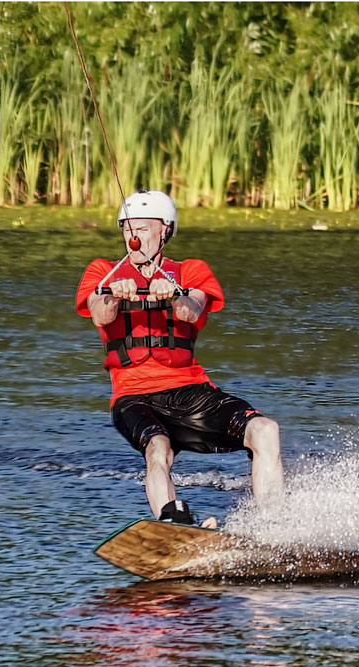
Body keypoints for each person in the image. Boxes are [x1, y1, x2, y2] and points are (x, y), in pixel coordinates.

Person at [76, 190, 282, 528]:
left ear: (165, 231)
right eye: (128, 228)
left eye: (143, 228)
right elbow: (100, 313)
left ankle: (275, 527)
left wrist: (172, 292)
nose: (134, 236)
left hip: (190, 392)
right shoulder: (102, 272)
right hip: (133, 397)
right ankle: (171, 522)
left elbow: (192, 309)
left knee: (265, 430)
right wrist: (114, 290)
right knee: (158, 450)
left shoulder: (191, 272)